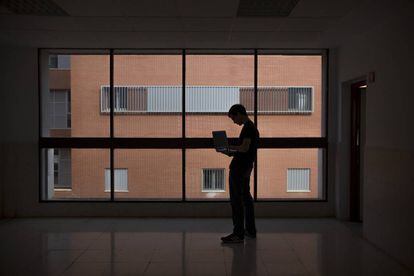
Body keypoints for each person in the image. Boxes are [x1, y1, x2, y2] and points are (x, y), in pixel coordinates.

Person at [220, 104, 259, 243]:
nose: (234, 122)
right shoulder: (250, 127)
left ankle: (238, 233)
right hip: (245, 167)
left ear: (239, 113)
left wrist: (229, 147)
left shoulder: (248, 128)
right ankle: (250, 230)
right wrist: (231, 152)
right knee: (246, 199)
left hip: (240, 169)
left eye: (233, 118)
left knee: (236, 201)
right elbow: (245, 150)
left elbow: (244, 148)